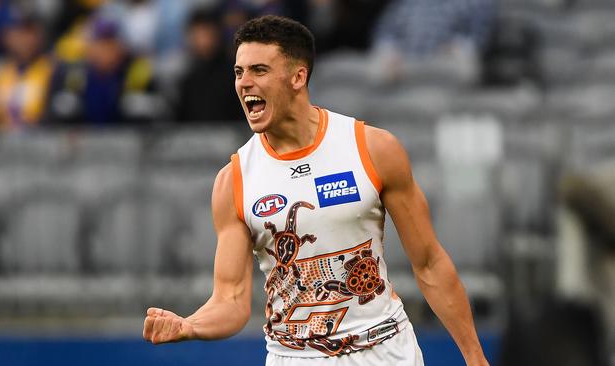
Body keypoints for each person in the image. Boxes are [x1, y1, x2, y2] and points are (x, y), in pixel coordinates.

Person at [143, 15, 489, 366]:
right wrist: (189, 325)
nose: (244, 83)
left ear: (298, 77)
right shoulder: (233, 180)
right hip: (294, 356)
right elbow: (230, 301)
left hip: (384, 351)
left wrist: (475, 357)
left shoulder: (372, 149)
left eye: (259, 70)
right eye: (238, 72)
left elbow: (429, 263)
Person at [0, 13, 54, 133]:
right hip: (4, 139)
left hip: (39, 138)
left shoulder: (51, 69)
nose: (24, 40)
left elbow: (54, 114)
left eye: (29, 33)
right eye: (19, 33)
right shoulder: (2, 72)